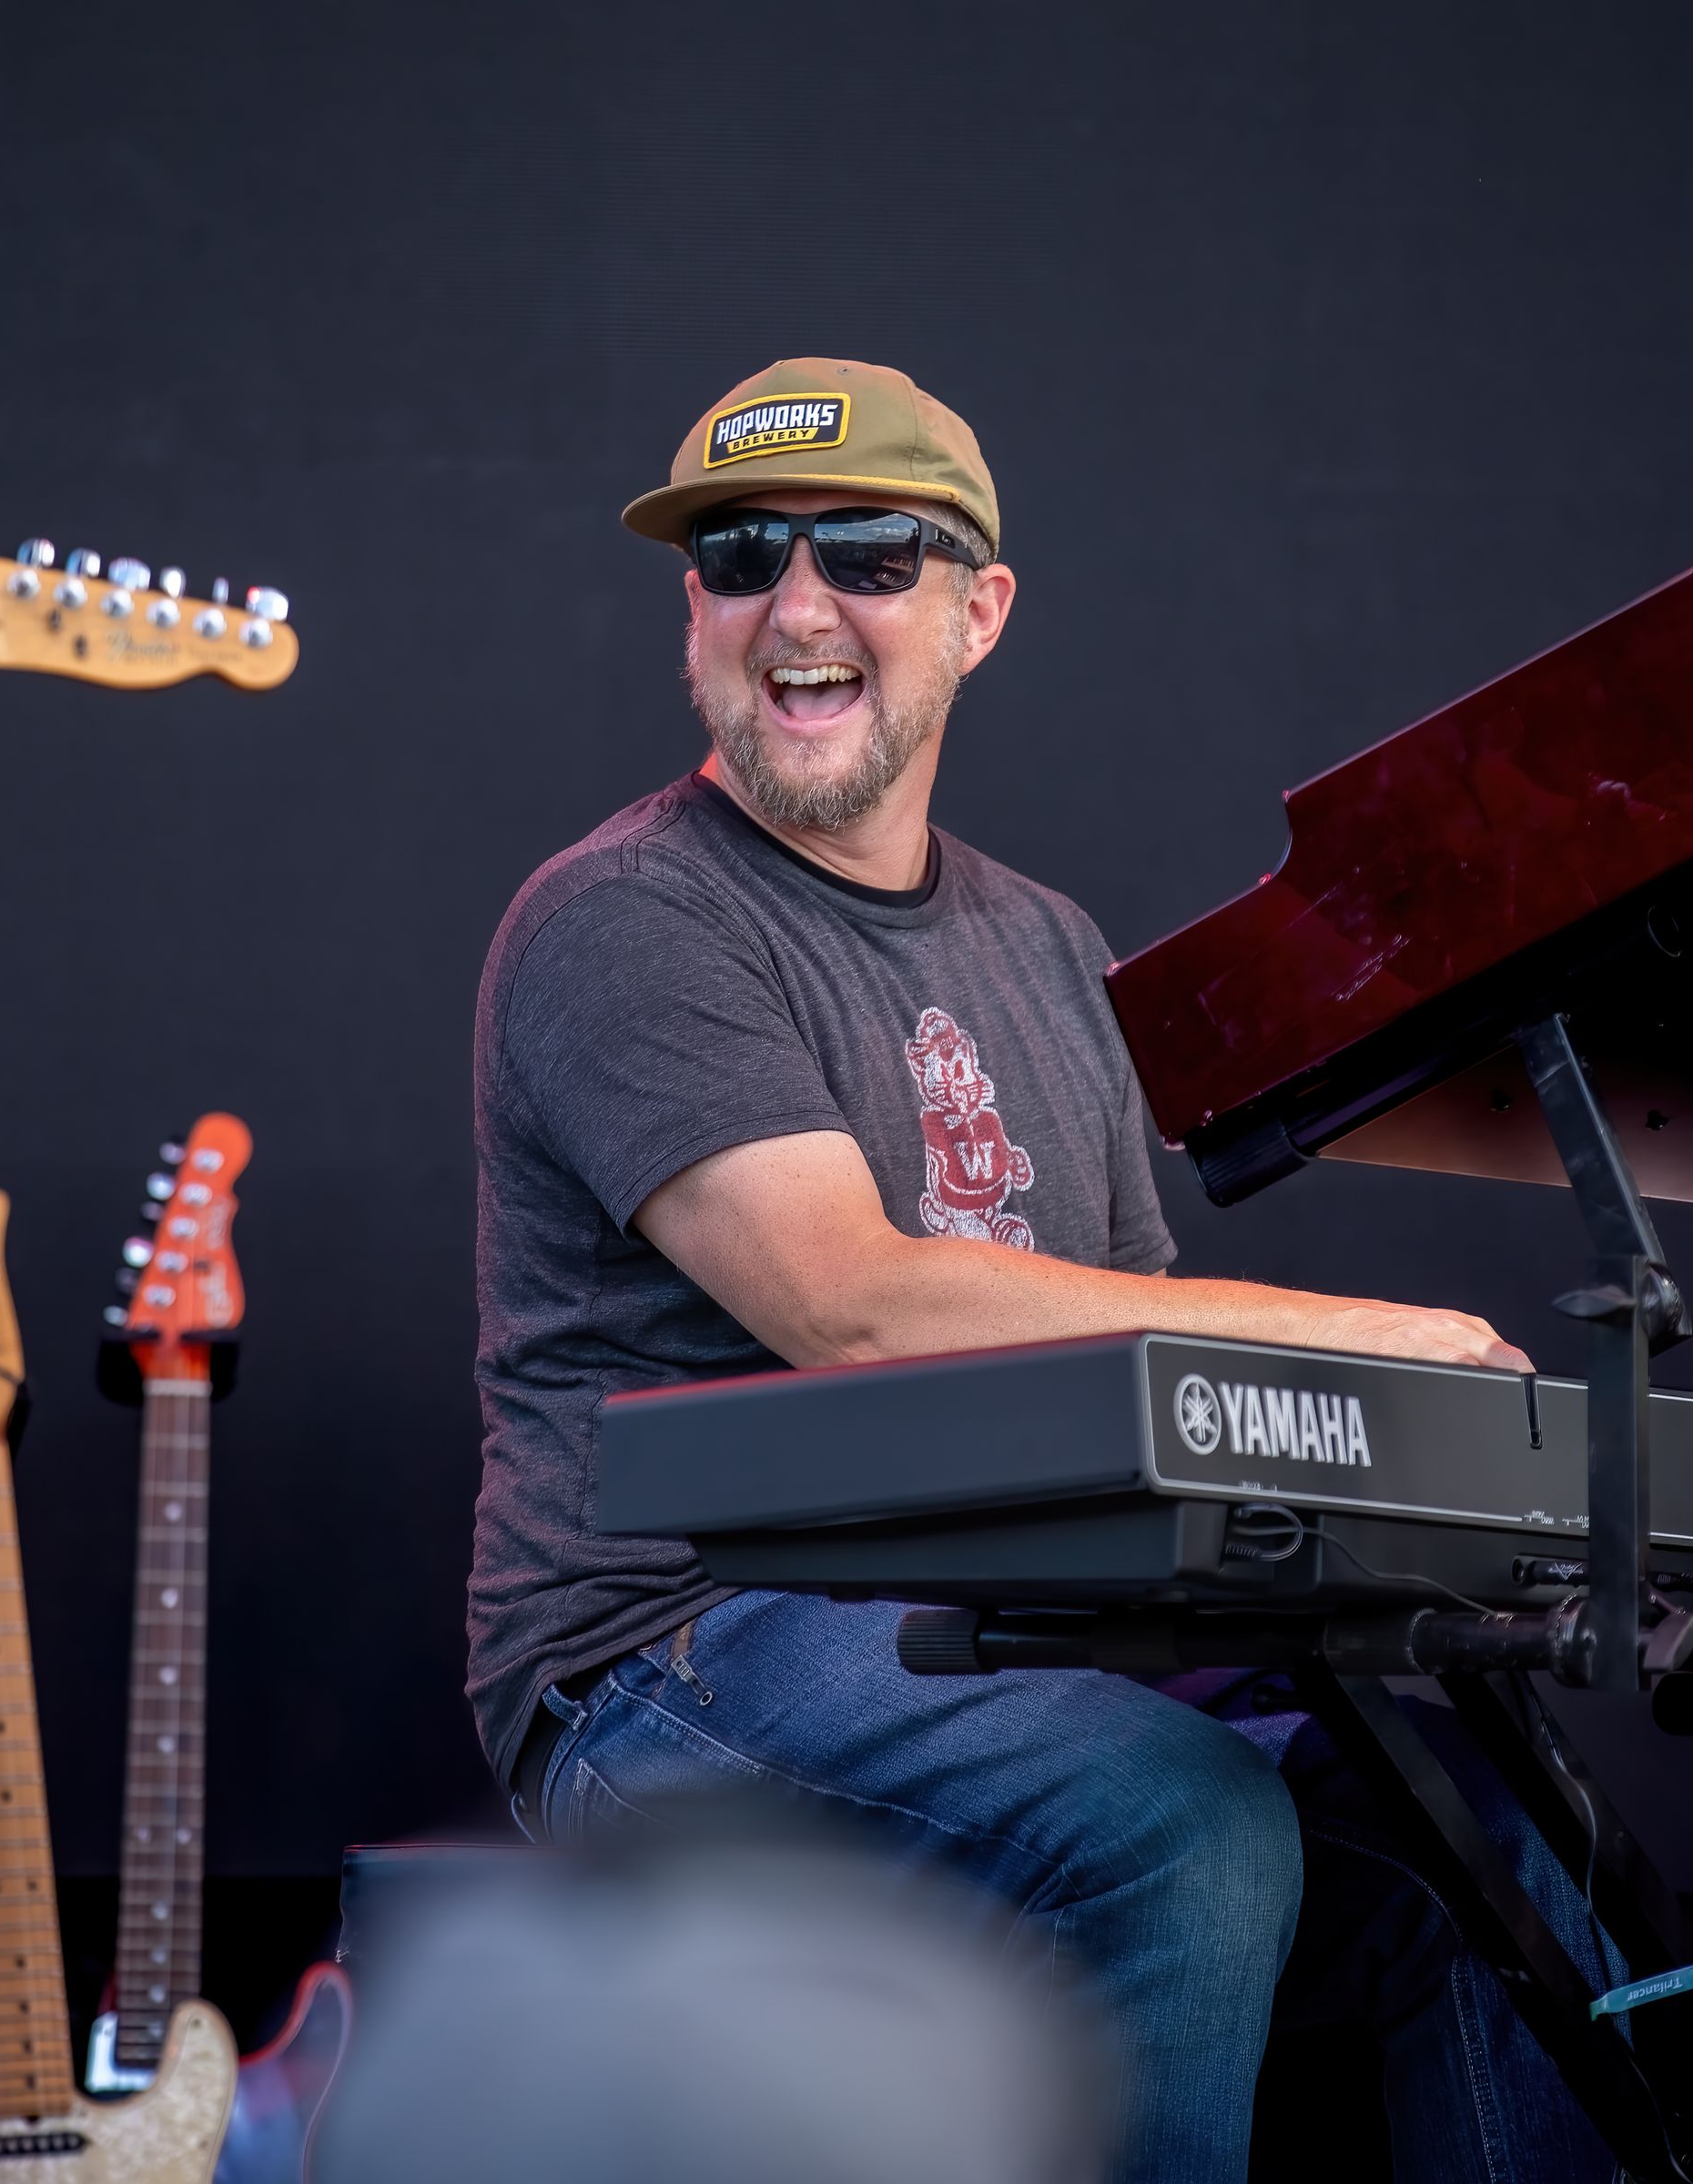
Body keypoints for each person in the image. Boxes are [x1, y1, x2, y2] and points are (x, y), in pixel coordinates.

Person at [469, 359, 1614, 2181]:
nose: (799, 603)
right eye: (743, 554)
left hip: (1019, 1630)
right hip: (666, 1664)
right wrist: (1365, 1336)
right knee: (1187, 1826)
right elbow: (850, 1304)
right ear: (696, 612)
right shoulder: (625, 919)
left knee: (1491, 1837)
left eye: (871, 552)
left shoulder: (1046, 945)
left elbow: (1135, 1400)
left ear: (980, 611)